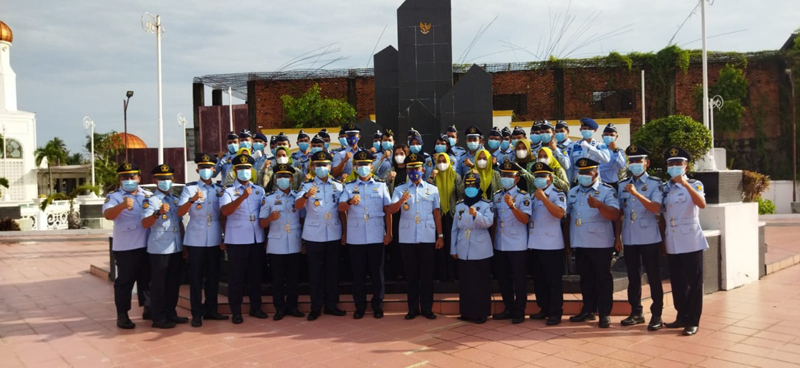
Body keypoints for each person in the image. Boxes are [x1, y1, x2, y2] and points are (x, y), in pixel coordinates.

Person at [387, 153, 444, 320]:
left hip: (427, 236)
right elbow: (391, 210)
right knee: (411, 275)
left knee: (427, 275)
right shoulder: (399, 189)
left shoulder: (432, 189)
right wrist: (400, 201)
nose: (414, 172)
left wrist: (440, 235)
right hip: (407, 237)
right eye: (410, 169)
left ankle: (427, 308)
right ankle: (412, 309)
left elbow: (437, 213)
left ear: (423, 169)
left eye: (417, 168)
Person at [567, 158, 620, 328]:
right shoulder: (573, 192)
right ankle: (587, 310)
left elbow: (615, 215)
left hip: (600, 243)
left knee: (602, 279)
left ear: (595, 173)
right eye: (581, 172)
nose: (583, 176)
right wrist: (568, 241)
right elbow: (568, 217)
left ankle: (604, 313)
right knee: (585, 279)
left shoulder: (606, 191)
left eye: (587, 172)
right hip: (580, 243)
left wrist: (599, 205)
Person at [339, 150, 392, 319]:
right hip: (356, 236)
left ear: (371, 166)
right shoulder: (348, 186)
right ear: (355, 167)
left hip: (376, 234)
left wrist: (389, 232)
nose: (363, 168)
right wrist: (349, 202)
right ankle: (359, 306)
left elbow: (388, 210)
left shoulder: (381, 185)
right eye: (359, 165)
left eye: (366, 165)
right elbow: (340, 208)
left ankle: (378, 305)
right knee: (358, 274)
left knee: (377, 273)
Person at [616, 145, 664, 331]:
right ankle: (636, 312)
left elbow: (656, 208)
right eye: (632, 161)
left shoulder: (654, 183)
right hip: (629, 236)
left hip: (649, 236)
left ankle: (657, 315)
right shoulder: (622, 185)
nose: (634, 164)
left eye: (638, 161)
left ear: (647, 163)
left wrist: (636, 193)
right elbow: (620, 213)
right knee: (633, 277)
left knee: (653, 276)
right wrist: (617, 237)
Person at [178, 154, 228, 327]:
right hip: (196, 238)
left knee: (213, 277)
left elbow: (222, 215)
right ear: (198, 170)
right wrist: (192, 200)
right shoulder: (189, 189)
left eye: (209, 167)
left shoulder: (219, 189)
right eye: (202, 167)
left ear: (214, 169)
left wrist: (224, 236)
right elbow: (180, 212)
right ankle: (196, 313)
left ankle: (211, 310)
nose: (206, 170)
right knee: (196, 279)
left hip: (214, 236)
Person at [296, 150, 347, 321]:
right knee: (315, 273)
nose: (322, 168)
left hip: (333, 234)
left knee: (333, 272)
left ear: (330, 166)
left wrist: (345, 232)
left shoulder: (338, 186)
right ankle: (315, 307)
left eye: (325, 165)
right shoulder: (306, 186)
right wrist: (306, 195)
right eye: (318, 165)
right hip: (313, 236)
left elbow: (342, 211)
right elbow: (298, 206)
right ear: (312, 167)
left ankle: (332, 305)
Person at [662, 146, 708, 336]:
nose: (674, 167)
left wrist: (685, 184)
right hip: (672, 239)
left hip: (691, 239)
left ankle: (693, 320)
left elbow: (702, 204)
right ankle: (681, 316)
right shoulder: (664, 188)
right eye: (671, 164)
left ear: (686, 167)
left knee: (694, 282)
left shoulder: (695, 184)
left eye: (678, 164)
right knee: (678, 282)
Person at [220, 153, 268, 324]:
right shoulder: (229, 191)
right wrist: (242, 197)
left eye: (247, 168)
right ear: (235, 170)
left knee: (255, 277)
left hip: (256, 239)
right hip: (237, 241)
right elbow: (225, 212)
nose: (244, 171)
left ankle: (256, 308)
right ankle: (236, 311)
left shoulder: (259, 190)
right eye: (241, 169)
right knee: (236, 279)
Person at [103, 163, 152, 329]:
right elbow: (108, 215)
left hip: (147, 244)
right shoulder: (115, 197)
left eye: (132, 177)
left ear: (139, 178)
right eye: (125, 177)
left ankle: (148, 308)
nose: (129, 180)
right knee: (125, 282)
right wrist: (122, 205)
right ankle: (122, 315)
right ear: (119, 180)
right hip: (126, 247)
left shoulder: (147, 194)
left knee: (147, 279)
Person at [141, 164, 186, 329]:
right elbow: (145, 223)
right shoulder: (151, 201)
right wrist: (157, 213)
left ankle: (171, 313)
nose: (165, 181)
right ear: (155, 181)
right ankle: (157, 316)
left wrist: (184, 243)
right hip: (159, 248)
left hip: (175, 247)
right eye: (161, 179)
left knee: (173, 283)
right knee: (159, 285)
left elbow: (180, 223)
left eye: (168, 178)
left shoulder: (175, 200)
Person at [259, 164, 306, 321]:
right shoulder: (269, 198)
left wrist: (304, 242)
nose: (283, 180)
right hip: (276, 244)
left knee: (293, 278)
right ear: (275, 179)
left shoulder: (298, 197)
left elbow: (303, 218)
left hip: (294, 241)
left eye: (286, 177)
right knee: (278, 279)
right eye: (280, 177)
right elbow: (262, 223)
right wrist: (269, 219)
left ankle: (293, 307)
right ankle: (279, 308)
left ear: (292, 179)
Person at [491, 161, 532, 324]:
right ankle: (508, 307)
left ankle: (519, 310)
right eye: (503, 175)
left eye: (509, 175)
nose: (506, 178)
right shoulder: (497, 195)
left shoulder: (524, 196)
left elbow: (525, 219)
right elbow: (494, 220)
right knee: (503, 278)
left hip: (517, 244)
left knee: (519, 279)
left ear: (516, 178)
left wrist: (513, 206)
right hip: (500, 243)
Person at [527, 162, 567, 326]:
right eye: (537, 176)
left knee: (553, 281)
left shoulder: (558, 194)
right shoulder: (533, 195)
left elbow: (559, 213)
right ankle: (544, 308)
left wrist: (544, 199)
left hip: (552, 245)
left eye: (542, 176)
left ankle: (556, 312)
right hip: (535, 243)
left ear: (550, 177)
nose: (539, 179)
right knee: (540, 280)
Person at [451, 172, 494, 324]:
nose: (470, 188)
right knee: (466, 282)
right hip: (464, 246)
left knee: (480, 282)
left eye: (473, 185)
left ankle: (481, 312)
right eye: (467, 185)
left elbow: (489, 222)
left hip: (481, 246)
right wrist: (453, 249)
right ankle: (466, 312)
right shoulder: (459, 205)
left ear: (478, 186)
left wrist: (477, 215)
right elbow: (455, 228)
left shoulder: (486, 204)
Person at [428, 151, 463, 282]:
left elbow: (461, 195)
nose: (442, 164)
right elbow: (428, 194)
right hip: (437, 214)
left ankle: (453, 275)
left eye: (444, 161)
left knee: (452, 243)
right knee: (439, 244)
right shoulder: (433, 177)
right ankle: (441, 275)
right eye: (439, 162)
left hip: (452, 214)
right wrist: (431, 177)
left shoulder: (456, 176)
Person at [381, 144, 410, 281]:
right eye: (397, 153)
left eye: (402, 153)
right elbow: (381, 186)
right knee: (395, 240)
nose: (399, 156)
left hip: (409, 211)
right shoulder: (391, 171)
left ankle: (406, 271)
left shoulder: (411, 170)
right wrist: (389, 180)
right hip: (394, 210)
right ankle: (395, 270)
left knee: (406, 241)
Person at [566, 118, 611, 185]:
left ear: (595, 130)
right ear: (580, 130)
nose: (586, 131)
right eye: (584, 128)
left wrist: (590, 148)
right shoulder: (573, 146)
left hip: (593, 181)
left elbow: (606, 159)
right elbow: (570, 167)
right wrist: (569, 184)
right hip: (577, 181)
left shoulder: (600, 145)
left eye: (589, 129)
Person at [598, 124, 627, 189]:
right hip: (598, 183)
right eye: (606, 135)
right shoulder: (597, 149)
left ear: (616, 137)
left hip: (612, 184)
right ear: (602, 136)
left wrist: (615, 151)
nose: (609, 137)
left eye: (611, 135)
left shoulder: (619, 152)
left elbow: (622, 165)